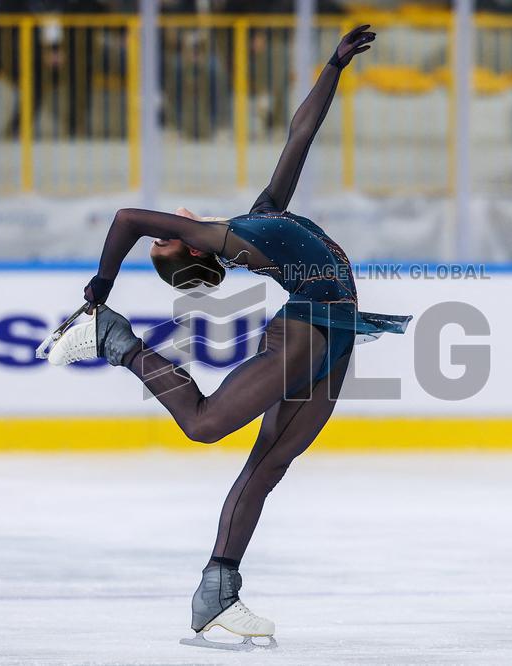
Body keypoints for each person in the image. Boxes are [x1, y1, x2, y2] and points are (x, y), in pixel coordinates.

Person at [45, 25, 411, 651]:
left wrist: (334, 66)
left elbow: (302, 134)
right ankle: (118, 342)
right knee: (206, 424)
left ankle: (219, 594)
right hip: (307, 331)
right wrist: (98, 292)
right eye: (168, 238)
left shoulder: (260, 216)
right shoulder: (231, 235)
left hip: (335, 332)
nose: (170, 222)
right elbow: (128, 219)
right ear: (190, 248)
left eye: (165, 236)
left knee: (270, 463)